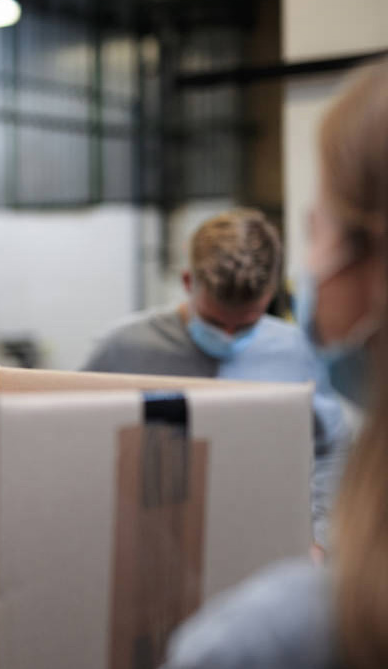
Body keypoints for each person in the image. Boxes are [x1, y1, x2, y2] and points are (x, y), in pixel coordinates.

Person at [0, 40, 388, 669]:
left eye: (319, 223)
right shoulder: (126, 347)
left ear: (380, 268)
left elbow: (327, 453)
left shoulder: (287, 644)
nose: (234, 338)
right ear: (188, 283)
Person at [82, 209, 351, 551]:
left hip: (264, 545)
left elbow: (332, 448)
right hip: (155, 546)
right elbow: (76, 444)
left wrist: (319, 535)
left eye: (245, 325)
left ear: (270, 294)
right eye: (213, 321)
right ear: (187, 282)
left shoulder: (297, 351)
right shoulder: (123, 348)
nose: (227, 336)